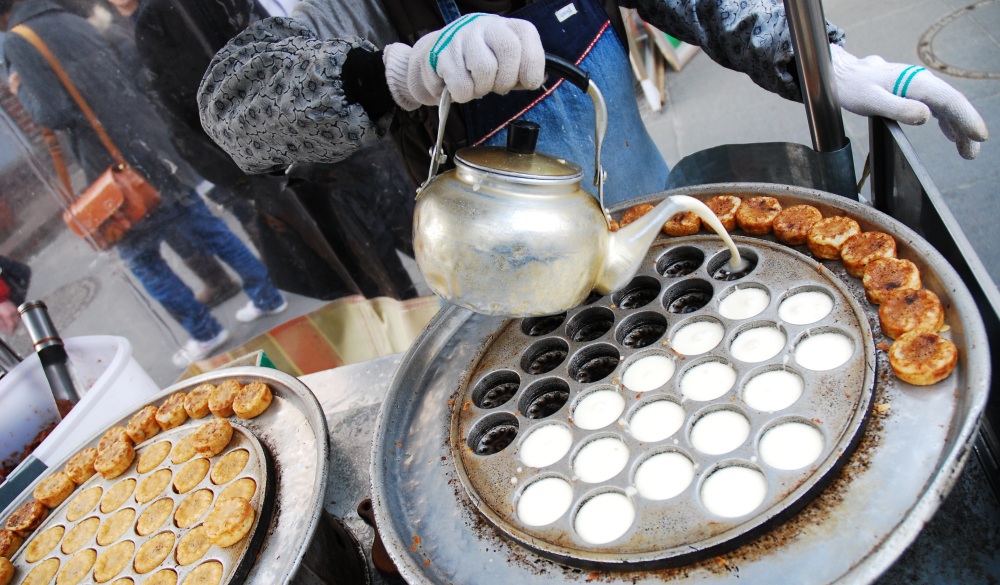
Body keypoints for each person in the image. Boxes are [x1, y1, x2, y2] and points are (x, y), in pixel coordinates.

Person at [197, 0, 988, 210]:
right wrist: (394, 74)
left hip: (642, 209)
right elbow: (234, 106)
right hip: (496, 279)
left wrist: (822, 55)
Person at [0, 0, 289, 367]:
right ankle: (267, 294)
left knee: (142, 259)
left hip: (112, 165)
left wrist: (19, 89)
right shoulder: (68, 20)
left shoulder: (17, 42)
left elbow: (52, 111)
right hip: (149, 142)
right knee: (204, 225)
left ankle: (204, 331)